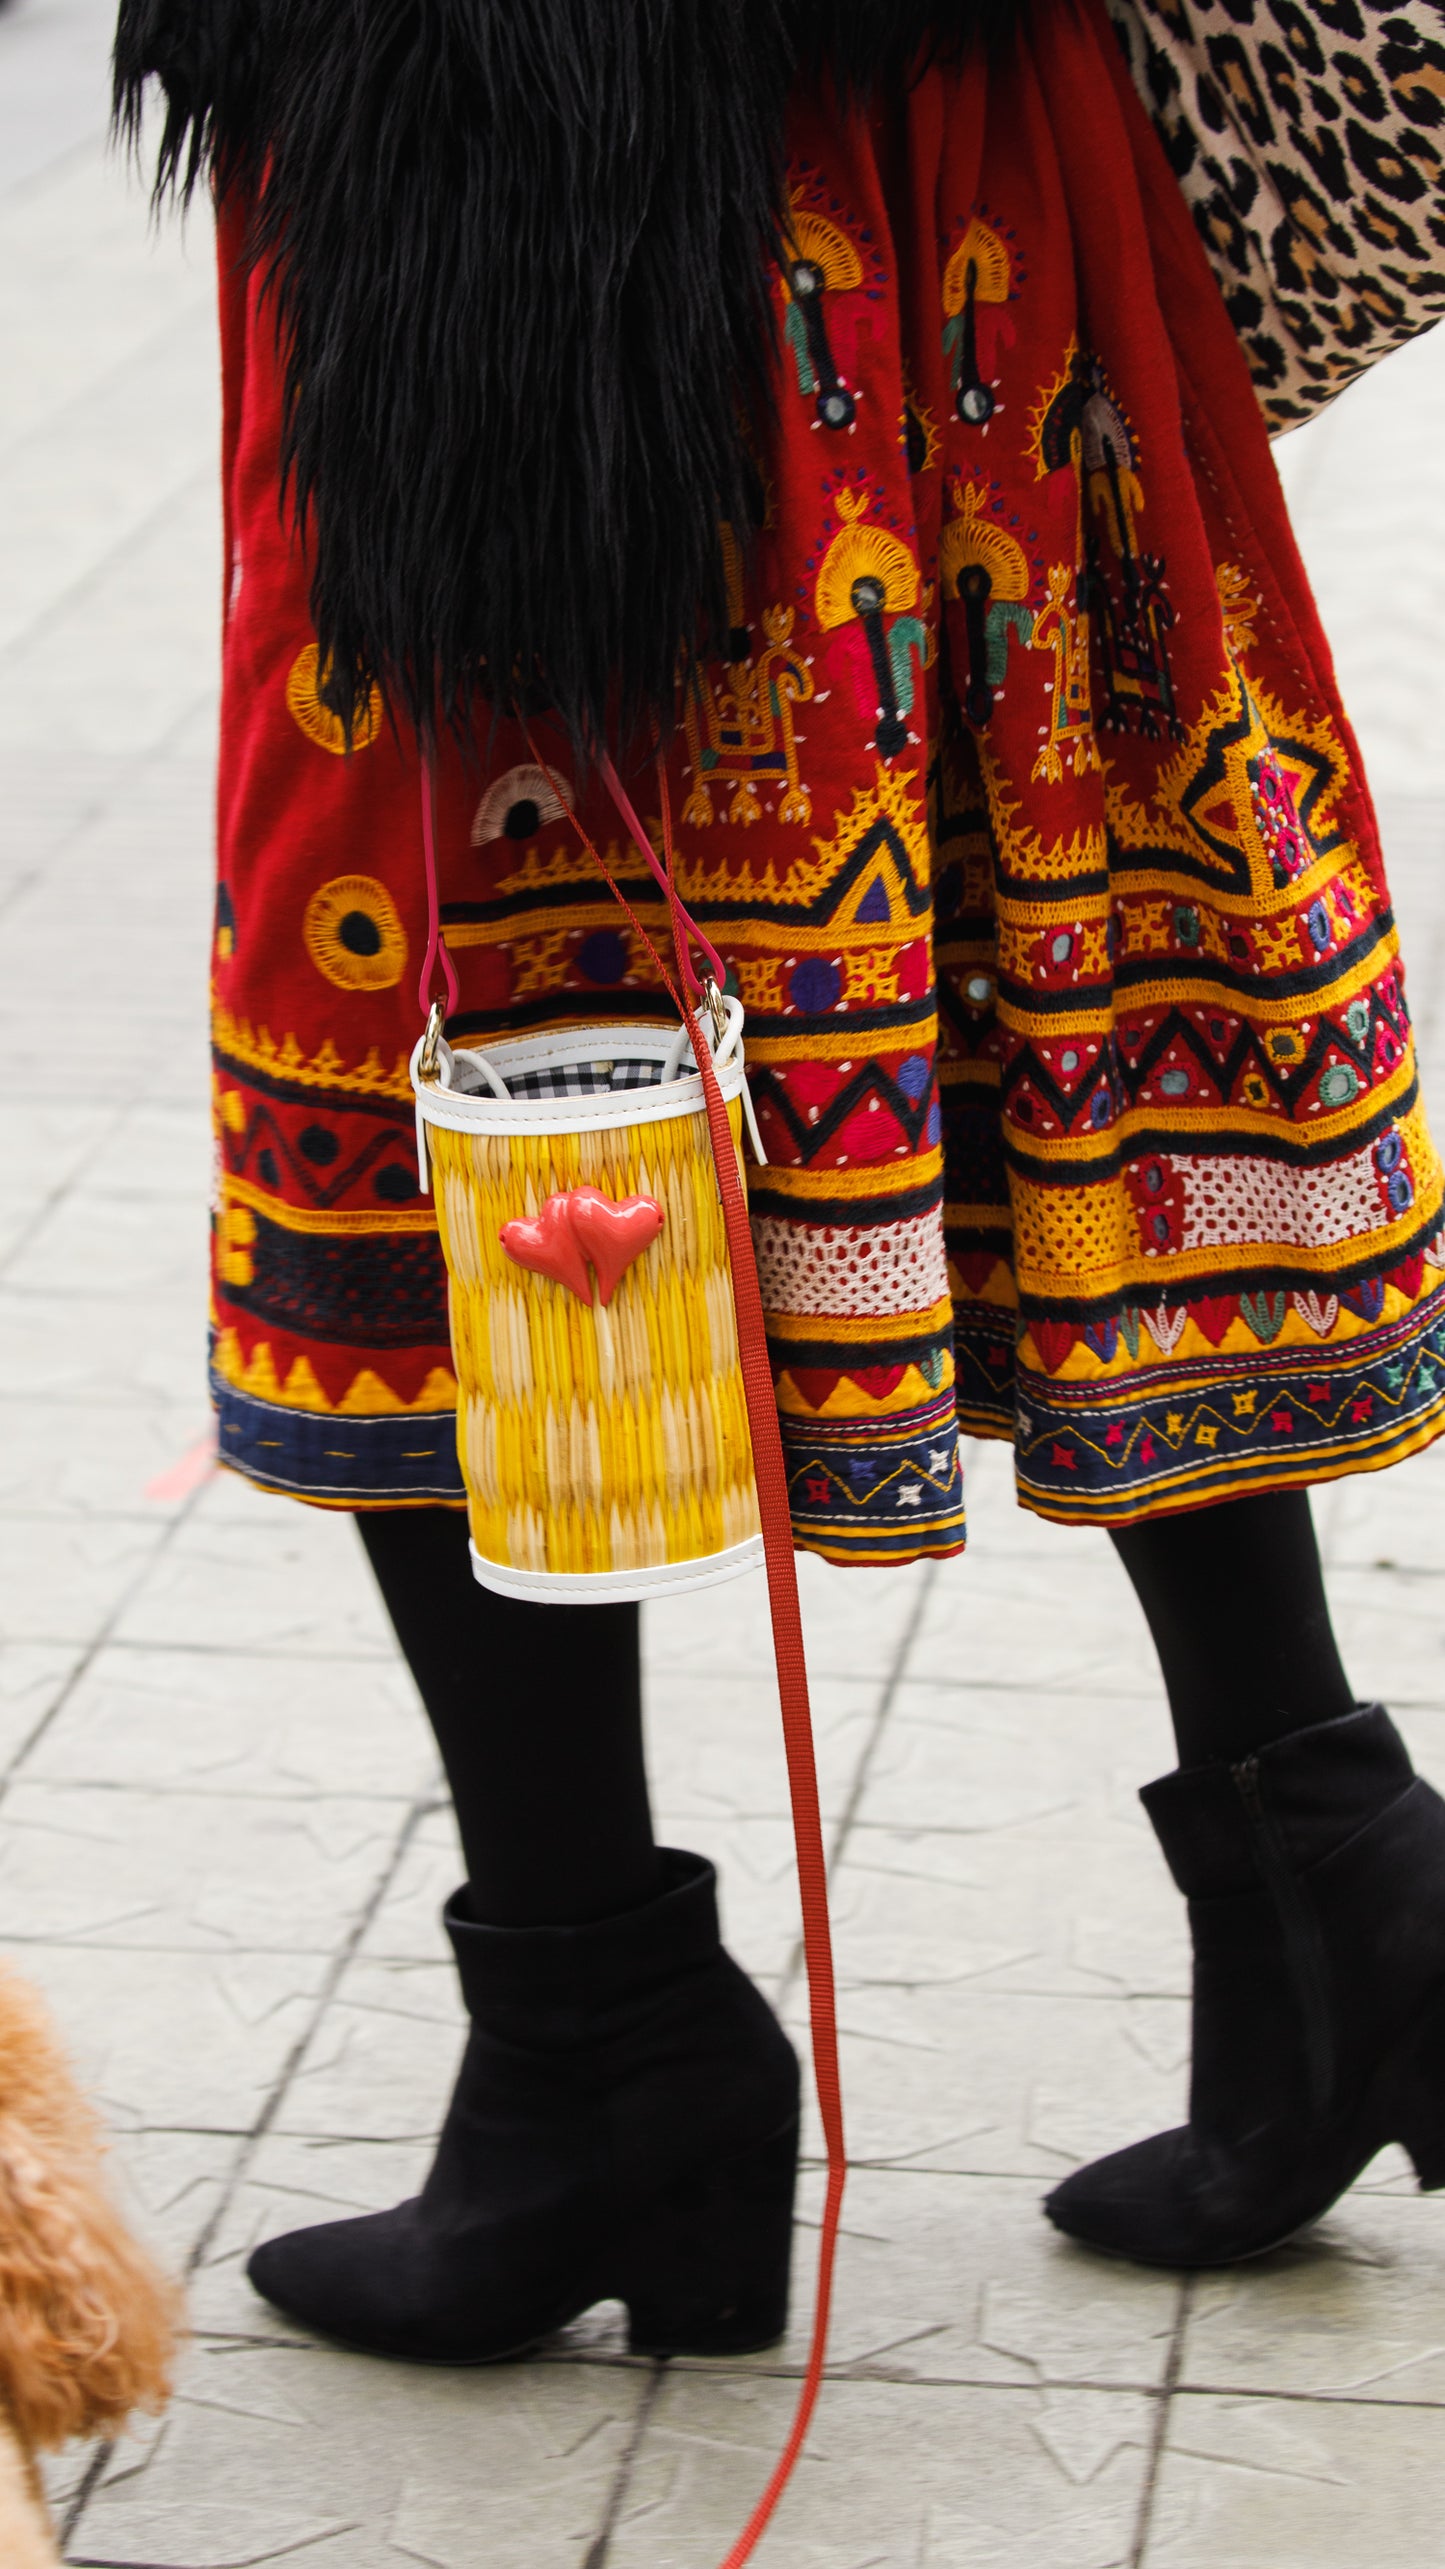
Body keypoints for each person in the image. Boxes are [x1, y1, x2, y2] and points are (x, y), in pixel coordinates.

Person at [113, 0, 1445, 2353]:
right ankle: (1342, 1888)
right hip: (931, 140)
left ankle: (596, 2040)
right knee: (1038, 910)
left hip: (501, 149)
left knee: (458, 999)